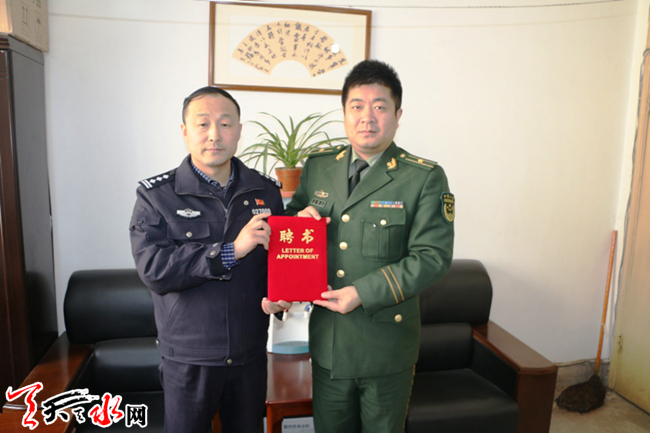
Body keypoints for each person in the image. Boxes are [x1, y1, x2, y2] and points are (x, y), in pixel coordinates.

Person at [285, 60, 455, 432]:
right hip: (329, 343)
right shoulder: (318, 167)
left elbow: (433, 258)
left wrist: (362, 292)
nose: (367, 117)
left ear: (397, 115)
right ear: (344, 113)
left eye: (380, 106)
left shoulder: (422, 177)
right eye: (357, 106)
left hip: (386, 347)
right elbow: (292, 228)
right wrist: (298, 221)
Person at [129, 86, 289, 433]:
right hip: (189, 358)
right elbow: (155, 270)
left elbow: (277, 263)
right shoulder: (157, 196)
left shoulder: (265, 191)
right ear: (185, 131)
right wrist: (231, 250)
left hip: (248, 354)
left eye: (225, 124)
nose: (214, 134)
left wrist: (280, 296)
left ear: (239, 131)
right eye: (203, 124)